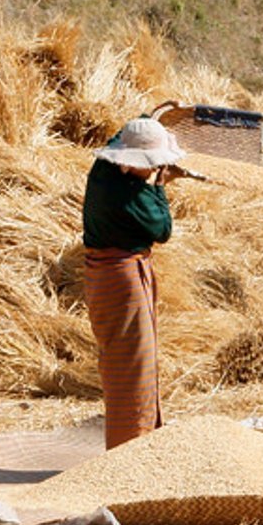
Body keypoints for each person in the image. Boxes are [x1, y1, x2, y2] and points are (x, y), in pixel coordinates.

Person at [82, 117, 185, 448]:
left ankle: (140, 443)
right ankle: (129, 448)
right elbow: (163, 230)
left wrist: (156, 116)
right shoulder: (131, 198)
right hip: (123, 280)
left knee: (124, 358)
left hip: (101, 276)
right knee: (134, 365)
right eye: (150, 165)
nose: (153, 169)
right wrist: (160, 186)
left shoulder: (102, 170)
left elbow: (124, 133)